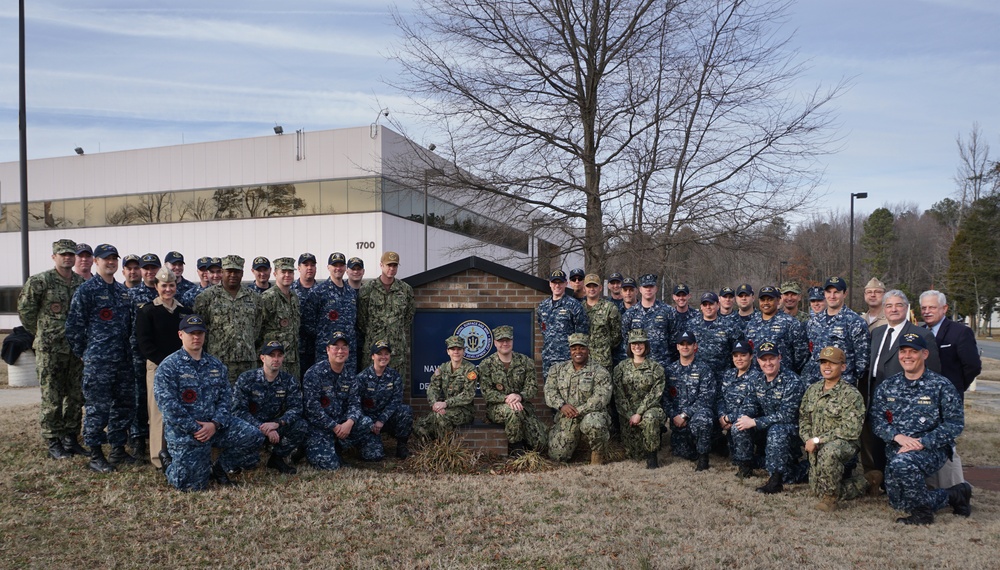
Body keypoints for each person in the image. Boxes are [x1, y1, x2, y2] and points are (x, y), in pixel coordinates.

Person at [154, 314, 265, 490]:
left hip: (215, 427)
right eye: (191, 333)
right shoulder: (169, 367)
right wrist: (196, 428)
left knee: (254, 436)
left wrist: (215, 424)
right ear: (181, 335)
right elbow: (168, 406)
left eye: (200, 333)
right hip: (187, 432)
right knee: (192, 487)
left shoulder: (215, 365)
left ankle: (219, 469)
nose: (196, 337)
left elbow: (226, 398)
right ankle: (169, 464)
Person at [870, 332, 971, 525]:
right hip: (897, 448)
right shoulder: (888, 386)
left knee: (902, 465)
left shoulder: (941, 386)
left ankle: (923, 515)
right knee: (899, 503)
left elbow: (955, 424)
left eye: (913, 351)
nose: (907, 356)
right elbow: (877, 421)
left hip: (932, 449)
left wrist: (922, 443)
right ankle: (955, 495)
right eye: (903, 351)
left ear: (924, 354)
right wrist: (897, 436)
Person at [66, 244, 137, 472]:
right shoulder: (87, 291)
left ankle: (117, 449)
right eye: (106, 259)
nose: (111, 262)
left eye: (114, 258)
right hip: (99, 362)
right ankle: (96, 454)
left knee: (123, 406)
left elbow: (130, 328)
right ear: (96, 261)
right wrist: (84, 354)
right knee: (98, 408)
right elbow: (74, 326)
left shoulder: (123, 293)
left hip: (123, 361)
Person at [17, 239, 87, 460]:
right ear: (54, 257)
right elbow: (26, 311)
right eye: (62, 254)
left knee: (75, 395)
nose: (67, 257)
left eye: (70, 254)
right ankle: (53, 439)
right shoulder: (40, 281)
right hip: (50, 350)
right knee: (52, 396)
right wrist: (43, 333)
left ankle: (71, 437)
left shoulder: (80, 283)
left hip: (75, 349)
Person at [862, 290, 940, 479]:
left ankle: (899, 481)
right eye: (888, 305)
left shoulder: (921, 335)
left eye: (898, 305)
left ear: (906, 308)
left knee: (900, 443)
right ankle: (881, 480)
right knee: (877, 439)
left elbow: (934, 371)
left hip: (906, 400)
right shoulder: (877, 332)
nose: (893, 309)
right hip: (876, 393)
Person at [799, 346, 874, 512]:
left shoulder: (850, 394)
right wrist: (808, 439)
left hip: (843, 444)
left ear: (843, 367)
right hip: (815, 444)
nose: (827, 366)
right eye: (823, 362)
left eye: (832, 363)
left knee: (829, 452)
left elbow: (851, 429)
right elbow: (803, 418)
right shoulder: (812, 390)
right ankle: (868, 481)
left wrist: (818, 440)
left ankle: (831, 498)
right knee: (817, 489)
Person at [920, 289, 982, 489]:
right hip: (924, 400)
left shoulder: (960, 332)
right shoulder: (921, 332)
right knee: (928, 441)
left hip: (949, 399)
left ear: (944, 308)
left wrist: (955, 389)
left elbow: (972, 366)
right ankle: (932, 485)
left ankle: (956, 488)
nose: (927, 311)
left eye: (932, 307)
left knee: (947, 445)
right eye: (924, 308)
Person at [135, 267, 193, 468]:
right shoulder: (147, 311)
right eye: (163, 285)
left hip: (182, 368)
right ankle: (159, 459)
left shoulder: (184, 312)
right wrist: (167, 363)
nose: (168, 289)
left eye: (171, 285)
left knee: (184, 409)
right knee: (159, 413)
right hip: (158, 367)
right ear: (156, 286)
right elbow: (144, 344)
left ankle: (181, 453)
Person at [733, 341, 807, 494]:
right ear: (758, 361)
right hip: (765, 426)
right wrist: (744, 417)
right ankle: (745, 466)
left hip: (790, 429)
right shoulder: (757, 380)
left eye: (771, 358)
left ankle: (776, 479)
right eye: (764, 359)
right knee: (739, 424)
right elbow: (750, 404)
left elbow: (787, 415)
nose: (768, 363)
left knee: (776, 430)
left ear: (779, 358)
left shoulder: (792, 381)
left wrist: (755, 422)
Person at [303, 331, 384, 469]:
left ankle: (338, 447)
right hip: (321, 427)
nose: (340, 351)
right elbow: (312, 408)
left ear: (348, 351)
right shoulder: (314, 373)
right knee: (330, 466)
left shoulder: (350, 375)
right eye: (336, 347)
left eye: (344, 347)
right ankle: (314, 447)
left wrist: (349, 422)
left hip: (342, 424)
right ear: (328, 350)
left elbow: (355, 403)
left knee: (365, 422)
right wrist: (334, 426)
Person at [231, 341, 308, 475]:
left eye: (279, 355)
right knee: (249, 464)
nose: (276, 359)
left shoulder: (289, 381)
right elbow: (238, 411)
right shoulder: (247, 379)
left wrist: (277, 424)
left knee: (301, 425)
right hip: (251, 428)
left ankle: (277, 458)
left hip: (275, 426)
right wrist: (262, 427)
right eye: (271, 355)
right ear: (262, 358)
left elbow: (296, 408)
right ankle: (235, 459)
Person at [478, 325, 547, 456]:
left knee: (541, 443)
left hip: (523, 406)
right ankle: (516, 448)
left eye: (508, 340)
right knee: (513, 412)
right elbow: (487, 393)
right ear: (495, 343)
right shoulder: (486, 364)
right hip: (496, 408)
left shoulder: (526, 362)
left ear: (512, 341)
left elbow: (532, 388)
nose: (505, 343)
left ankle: (528, 443)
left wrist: (519, 396)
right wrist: (506, 399)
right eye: (501, 340)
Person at [194, 255, 263, 383]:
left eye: (236, 271)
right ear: (222, 272)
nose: (233, 275)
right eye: (229, 271)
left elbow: (257, 328)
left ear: (242, 273)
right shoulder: (206, 298)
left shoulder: (255, 298)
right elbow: (201, 329)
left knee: (246, 400)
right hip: (218, 360)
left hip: (247, 361)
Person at [545, 333, 612, 465]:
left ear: (588, 349)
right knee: (557, 455)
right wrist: (561, 405)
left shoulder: (600, 371)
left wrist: (578, 410)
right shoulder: (557, 370)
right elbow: (549, 391)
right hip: (566, 416)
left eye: (581, 348)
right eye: (574, 348)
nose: (578, 351)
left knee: (595, 423)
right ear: (570, 350)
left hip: (591, 414)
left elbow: (601, 397)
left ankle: (597, 456)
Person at [358, 251, 415, 383]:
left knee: (396, 387)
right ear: (381, 265)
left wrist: (395, 330)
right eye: (388, 265)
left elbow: (408, 316)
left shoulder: (405, 290)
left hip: (396, 350)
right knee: (369, 388)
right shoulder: (368, 289)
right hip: (373, 349)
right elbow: (361, 319)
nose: (391, 268)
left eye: (394, 266)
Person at [663, 331, 716, 470]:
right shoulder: (670, 370)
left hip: (695, 417)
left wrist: (685, 415)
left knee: (703, 419)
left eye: (688, 344)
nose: (685, 347)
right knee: (682, 453)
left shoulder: (704, 370)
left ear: (695, 346)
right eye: (682, 344)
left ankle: (703, 458)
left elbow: (706, 398)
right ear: (677, 347)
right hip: (678, 422)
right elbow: (665, 398)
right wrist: (674, 415)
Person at [612, 329, 666, 468]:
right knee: (634, 454)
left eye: (641, 343)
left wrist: (639, 413)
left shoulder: (656, 368)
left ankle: (652, 458)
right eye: (633, 343)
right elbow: (618, 395)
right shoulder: (621, 368)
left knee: (650, 418)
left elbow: (655, 393)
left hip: (649, 409)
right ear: (629, 346)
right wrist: (630, 414)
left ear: (646, 345)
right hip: (627, 414)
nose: (637, 346)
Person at [803, 276, 870, 385]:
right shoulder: (814, 322)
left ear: (845, 294)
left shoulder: (855, 322)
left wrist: (848, 382)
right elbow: (812, 352)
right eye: (829, 292)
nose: (832, 296)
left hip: (842, 386)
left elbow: (862, 361)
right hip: (815, 383)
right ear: (824, 294)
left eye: (836, 292)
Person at [357, 340, 414, 459]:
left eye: (386, 354)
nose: (383, 357)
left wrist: (382, 420)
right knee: (373, 456)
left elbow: (396, 401)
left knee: (405, 410)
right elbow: (356, 404)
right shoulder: (362, 378)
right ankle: (364, 443)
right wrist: (369, 423)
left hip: (386, 419)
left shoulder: (394, 376)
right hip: (369, 422)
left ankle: (401, 446)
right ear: (373, 356)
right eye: (379, 354)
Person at [414, 335, 477, 441]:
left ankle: (447, 448)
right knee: (419, 425)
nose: (456, 352)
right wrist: (434, 404)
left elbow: (468, 395)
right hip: (445, 408)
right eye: (453, 349)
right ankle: (432, 447)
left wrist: (445, 403)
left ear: (464, 351)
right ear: (448, 351)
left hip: (464, 411)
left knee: (440, 417)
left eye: (459, 349)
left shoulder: (470, 369)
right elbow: (433, 388)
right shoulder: (443, 368)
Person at [306, 252, 359, 375]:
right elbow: (308, 323)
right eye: (335, 265)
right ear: (328, 267)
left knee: (347, 384)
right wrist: (324, 337)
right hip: (326, 351)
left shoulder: (351, 292)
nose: (338, 268)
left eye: (341, 265)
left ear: (345, 268)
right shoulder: (318, 292)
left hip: (347, 351)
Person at [716, 339, 762, 477]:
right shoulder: (729, 375)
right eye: (736, 356)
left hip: (749, 423)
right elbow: (720, 398)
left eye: (743, 355)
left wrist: (728, 418)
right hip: (726, 420)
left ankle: (746, 467)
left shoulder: (757, 377)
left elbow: (752, 407)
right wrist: (721, 416)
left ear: (751, 356)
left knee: (739, 425)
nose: (739, 359)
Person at [537, 269, 590, 377]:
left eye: (560, 283)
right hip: (548, 358)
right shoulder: (543, 306)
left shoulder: (574, 305)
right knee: (550, 391)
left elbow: (581, 332)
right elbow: (543, 329)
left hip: (567, 358)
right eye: (554, 283)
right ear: (550, 284)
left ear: (565, 284)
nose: (557, 286)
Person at [745, 286, 808, 374]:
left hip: (784, 377)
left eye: (770, 299)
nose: (766, 303)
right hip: (757, 378)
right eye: (763, 300)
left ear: (778, 300)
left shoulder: (790, 323)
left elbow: (801, 353)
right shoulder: (751, 324)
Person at [258, 257, 302, 378]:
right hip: (274, 360)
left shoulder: (294, 297)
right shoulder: (268, 297)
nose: (287, 275)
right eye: (283, 272)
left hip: (293, 359)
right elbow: (257, 329)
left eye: (290, 272)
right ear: (275, 273)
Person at [621, 274, 672, 369]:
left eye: (651, 287)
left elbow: (673, 339)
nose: (648, 289)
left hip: (661, 365)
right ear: (640, 289)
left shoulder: (668, 311)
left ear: (656, 289)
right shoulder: (630, 313)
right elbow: (626, 339)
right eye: (645, 287)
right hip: (638, 367)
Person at [689, 292, 740, 377]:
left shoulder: (730, 326)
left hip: (722, 376)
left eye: (711, 304)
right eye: (705, 304)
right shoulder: (691, 325)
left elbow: (737, 351)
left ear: (718, 305)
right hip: (697, 376)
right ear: (701, 307)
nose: (708, 307)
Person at [582, 273, 620, 371]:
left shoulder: (610, 308)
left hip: (603, 361)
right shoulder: (578, 308)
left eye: (595, 286)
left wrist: (604, 346)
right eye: (588, 286)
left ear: (600, 288)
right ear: (584, 289)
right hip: (582, 361)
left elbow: (616, 335)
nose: (592, 289)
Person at [293, 252, 318, 376]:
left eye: (312, 265)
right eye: (305, 265)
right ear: (298, 268)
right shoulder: (290, 291)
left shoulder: (322, 291)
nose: (309, 268)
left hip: (317, 348)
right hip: (296, 350)